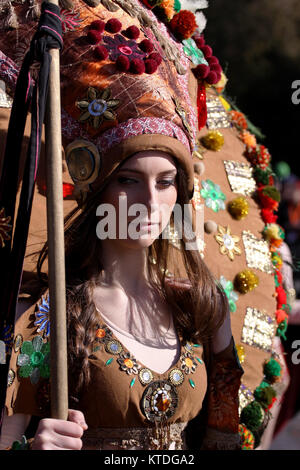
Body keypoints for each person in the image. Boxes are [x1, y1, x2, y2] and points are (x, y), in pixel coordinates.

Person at [0, 0, 243, 451]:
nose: (150, 201)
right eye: (129, 180)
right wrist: (33, 447)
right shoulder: (46, 319)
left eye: (166, 182)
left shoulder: (201, 306)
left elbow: (224, 434)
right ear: (100, 191)